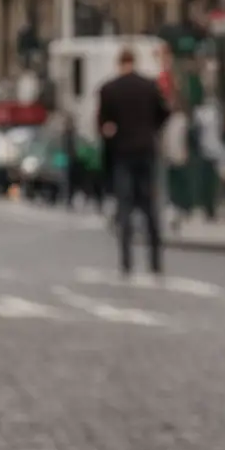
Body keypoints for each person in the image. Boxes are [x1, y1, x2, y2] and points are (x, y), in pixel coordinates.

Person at [97, 47, 170, 278]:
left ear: (120, 63)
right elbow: (164, 112)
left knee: (125, 207)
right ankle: (156, 261)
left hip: (122, 152)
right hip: (146, 149)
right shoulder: (149, 86)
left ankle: (127, 261)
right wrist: (151, 130)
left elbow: (103, 125)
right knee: (150, 208)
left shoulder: (109, 90)